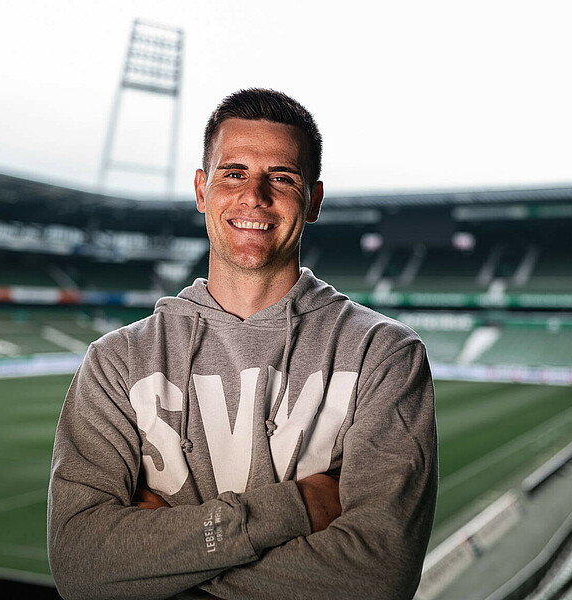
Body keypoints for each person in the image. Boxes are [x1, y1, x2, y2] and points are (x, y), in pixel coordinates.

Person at [48, 88, 438, 600]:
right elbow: (82, 564)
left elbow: (378, 578)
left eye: (282, 177)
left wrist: (162, 560)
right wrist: (297, 508)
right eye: (233, 173)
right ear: (201, 189)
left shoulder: (383, 356)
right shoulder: (116, 362)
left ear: (313, 200)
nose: (254, 195)